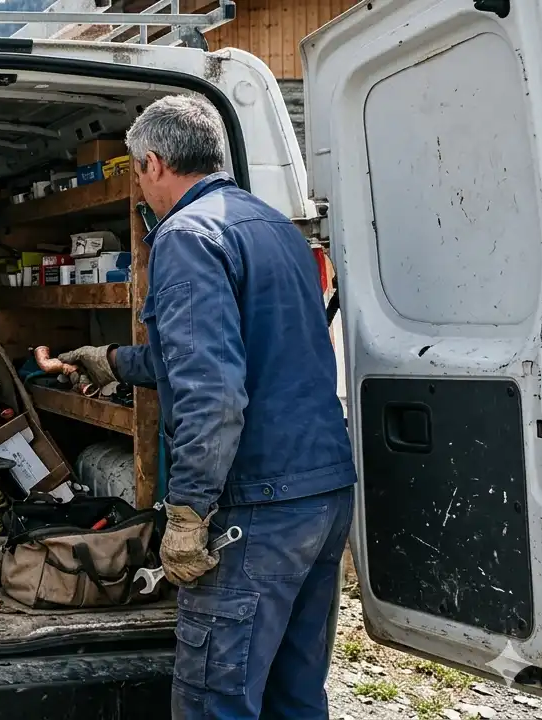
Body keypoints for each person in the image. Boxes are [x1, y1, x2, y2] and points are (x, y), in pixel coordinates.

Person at [59, 95, 356, 719]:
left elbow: (213, 392)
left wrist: (190, 511)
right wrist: (112, 362)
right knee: (294, 695)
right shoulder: (273, 225)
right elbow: (230, 353)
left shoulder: (188, 238)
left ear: (156, 162)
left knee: (215, 701)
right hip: (321, 496)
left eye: (138, 172)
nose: (142, 188)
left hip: (255, 508)